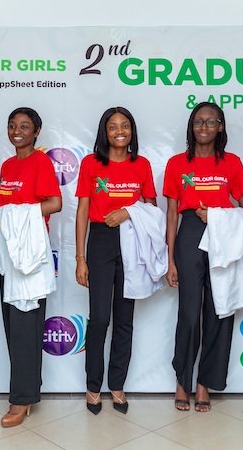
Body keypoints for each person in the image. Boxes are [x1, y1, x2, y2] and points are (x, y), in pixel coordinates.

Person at [163, 102, 243, 412]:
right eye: (199, 121)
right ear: (192, 126)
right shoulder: (177, 164)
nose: (204, 127)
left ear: (220, 126)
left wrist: (224, 223)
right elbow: (171, 213)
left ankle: (204, 383)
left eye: (211, 121)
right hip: (189, 233)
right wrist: (170, 259)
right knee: (189, 313)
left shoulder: (232, 162)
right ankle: (182, 381)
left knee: (219, 310)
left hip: (222, 235)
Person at [75, 107, 157, 414]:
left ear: (132, 131)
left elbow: (152, 209)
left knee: (125, 318)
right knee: (99, 318)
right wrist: (80, 258)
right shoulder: (91, 163)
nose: (119, 131)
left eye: (125, 126)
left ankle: (117, 385)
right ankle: (93, 386)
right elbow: (82, 211)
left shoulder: (142, 164)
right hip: (100, 240)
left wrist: (127, 212)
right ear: (104, 132)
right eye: (113, 126)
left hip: (133, 241)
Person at [0, 107, 62, 427]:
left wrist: (16, 212)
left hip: (30, 256)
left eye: (25, 126)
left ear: (36, 132)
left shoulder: (41, 162)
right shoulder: (7, 165)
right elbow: (3, 212)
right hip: (9, 254)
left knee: (26, 330)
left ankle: (21, 399)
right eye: (12, 126)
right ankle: (28, 390)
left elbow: (54, 203)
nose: (17, 131)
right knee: (13, 327)